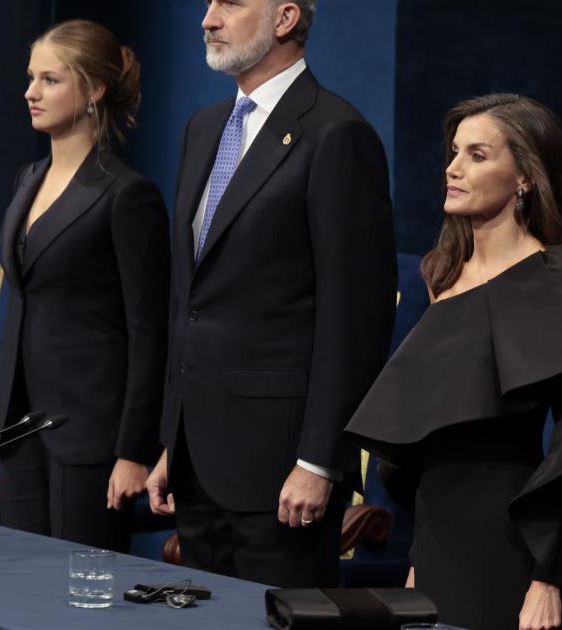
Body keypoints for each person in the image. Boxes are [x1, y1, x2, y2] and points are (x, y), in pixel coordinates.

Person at [345, 93, 562, 630]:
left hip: (512, 547)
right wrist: (415, 557)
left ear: (525, 176)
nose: (453, 169)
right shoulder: (443, 274)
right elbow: (427, 433)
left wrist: (547, 579)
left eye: (477, 156)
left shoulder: (561, 276)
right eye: (454, 153)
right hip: (435, 543)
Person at [145, 0, 396, 588]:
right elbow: (190, 300)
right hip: (197, 462)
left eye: (229, 3)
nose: (207, 19)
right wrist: (169, 442)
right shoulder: (202, 127)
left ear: (285, 18)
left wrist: (319, 460)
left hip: (282, 470)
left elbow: (354, 320)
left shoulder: (337, 133)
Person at [0, 19, 169, 552]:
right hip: (21, 435)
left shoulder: (127, 195)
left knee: (80, 599)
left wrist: (133, 450)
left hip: (93, 440)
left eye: (50, 79)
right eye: (30, 78)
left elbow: (149, 330)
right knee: (23, 596)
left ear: (93, 90)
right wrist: (2, 436)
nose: (30, 92)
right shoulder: (27, 179)